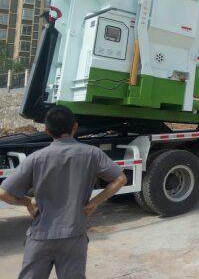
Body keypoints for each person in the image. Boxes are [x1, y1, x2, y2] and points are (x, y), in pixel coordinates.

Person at [0, 105, 127, 279]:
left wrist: (27, 202)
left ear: (46, 130)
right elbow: (120, 179)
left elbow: (3, 193)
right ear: (75, 127)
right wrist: (94, 203)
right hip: (74, 235)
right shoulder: (92, 154)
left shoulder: (36, 158)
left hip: (41, 236)